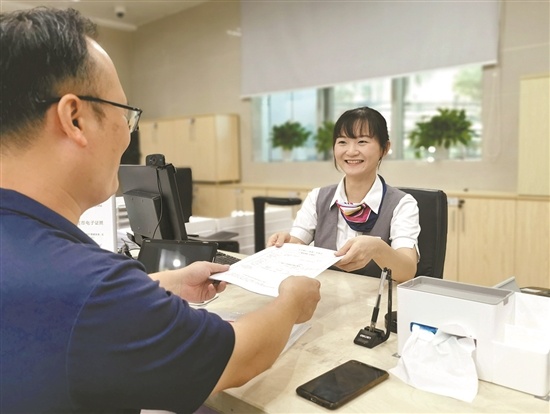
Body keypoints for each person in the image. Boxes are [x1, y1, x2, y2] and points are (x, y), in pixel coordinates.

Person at [0, 7, 321, 413]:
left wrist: (159, 284)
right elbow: (237, 357)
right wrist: (291, 301)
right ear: (75, 119)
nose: (127, 134)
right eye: (125, 114)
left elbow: (60, 317)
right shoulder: (90, 286)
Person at [268, 107, 420, 282]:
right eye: (342, 142)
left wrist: (378, 248)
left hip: (376, 298)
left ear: (384, 148)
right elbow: (296, 243)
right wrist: (286, 243)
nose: (351, 151)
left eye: (362, 141)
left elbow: (407, 271)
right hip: (324, 294)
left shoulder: (402, 204)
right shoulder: (317, 198)